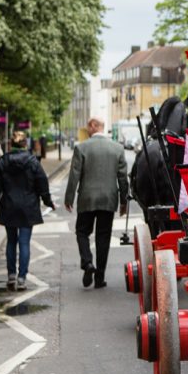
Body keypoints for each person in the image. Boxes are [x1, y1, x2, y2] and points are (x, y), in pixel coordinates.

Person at [0, 131, 55, 291]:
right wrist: (48, 202)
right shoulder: (33, 162)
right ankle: (22, 277)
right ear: (25, 144)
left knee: (11, 241)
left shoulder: (3, 162)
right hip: (28, 207)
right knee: (24, 242)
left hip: (9, 206)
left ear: (11, 144)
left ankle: (11, 275)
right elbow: (42, 184)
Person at [64, 117, 128, 288]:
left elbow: (74, 175)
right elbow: (122, 178)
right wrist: (124, 202)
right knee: (103, 237)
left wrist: (69, 198)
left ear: (93, 126)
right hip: (108, 199)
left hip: (87, 199)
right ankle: (99, 278)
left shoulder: (82, 148)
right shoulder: (117, 148)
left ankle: (87, 263)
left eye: (88, 126)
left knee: (82, 232)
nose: (87, 130)